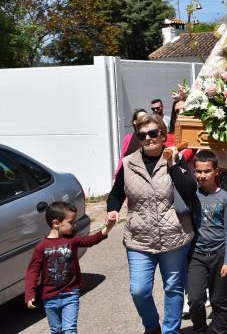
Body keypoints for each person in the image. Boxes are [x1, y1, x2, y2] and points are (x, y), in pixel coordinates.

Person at [106, 113, 196, 334]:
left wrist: (173, 163)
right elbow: (116, 194)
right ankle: (152, 326)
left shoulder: (176, 159)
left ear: (163, 134)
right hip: (139, 237)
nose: (148, 138)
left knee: (173, 288)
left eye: (153, 133)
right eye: (142, 134)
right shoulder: (128, 164)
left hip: (174, 235)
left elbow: (189, 190)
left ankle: (170, 330)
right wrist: (112, 210)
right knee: (139, 290)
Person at [25, 201, 116, 334]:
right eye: (71, 222)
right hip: (49, 297)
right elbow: (33, 271)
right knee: (56, 330)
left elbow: (90, 240)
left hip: (70, 294)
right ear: (56, 223)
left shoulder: (71, 240)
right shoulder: (41, 247)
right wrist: (29, 293)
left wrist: (107, 227)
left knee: (69, 329)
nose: (75, 225)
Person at [188, 150, 227, 334]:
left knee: (219, 301)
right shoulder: (191, 195)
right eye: (198, 171)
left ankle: (219, 330)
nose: (202, 175)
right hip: (196, 256)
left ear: (216, 171)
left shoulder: (225, 198)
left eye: (206, 171)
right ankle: (199, 329)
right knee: (195, 299)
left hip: (219, 255)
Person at [115, 108, 147, 177]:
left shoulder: (151, 136)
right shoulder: (128, 137)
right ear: (135, 122)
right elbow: (123, 158)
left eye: (146, 117)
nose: (144, 119)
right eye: (142, 117)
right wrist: (116, 176)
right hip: (129, 176)